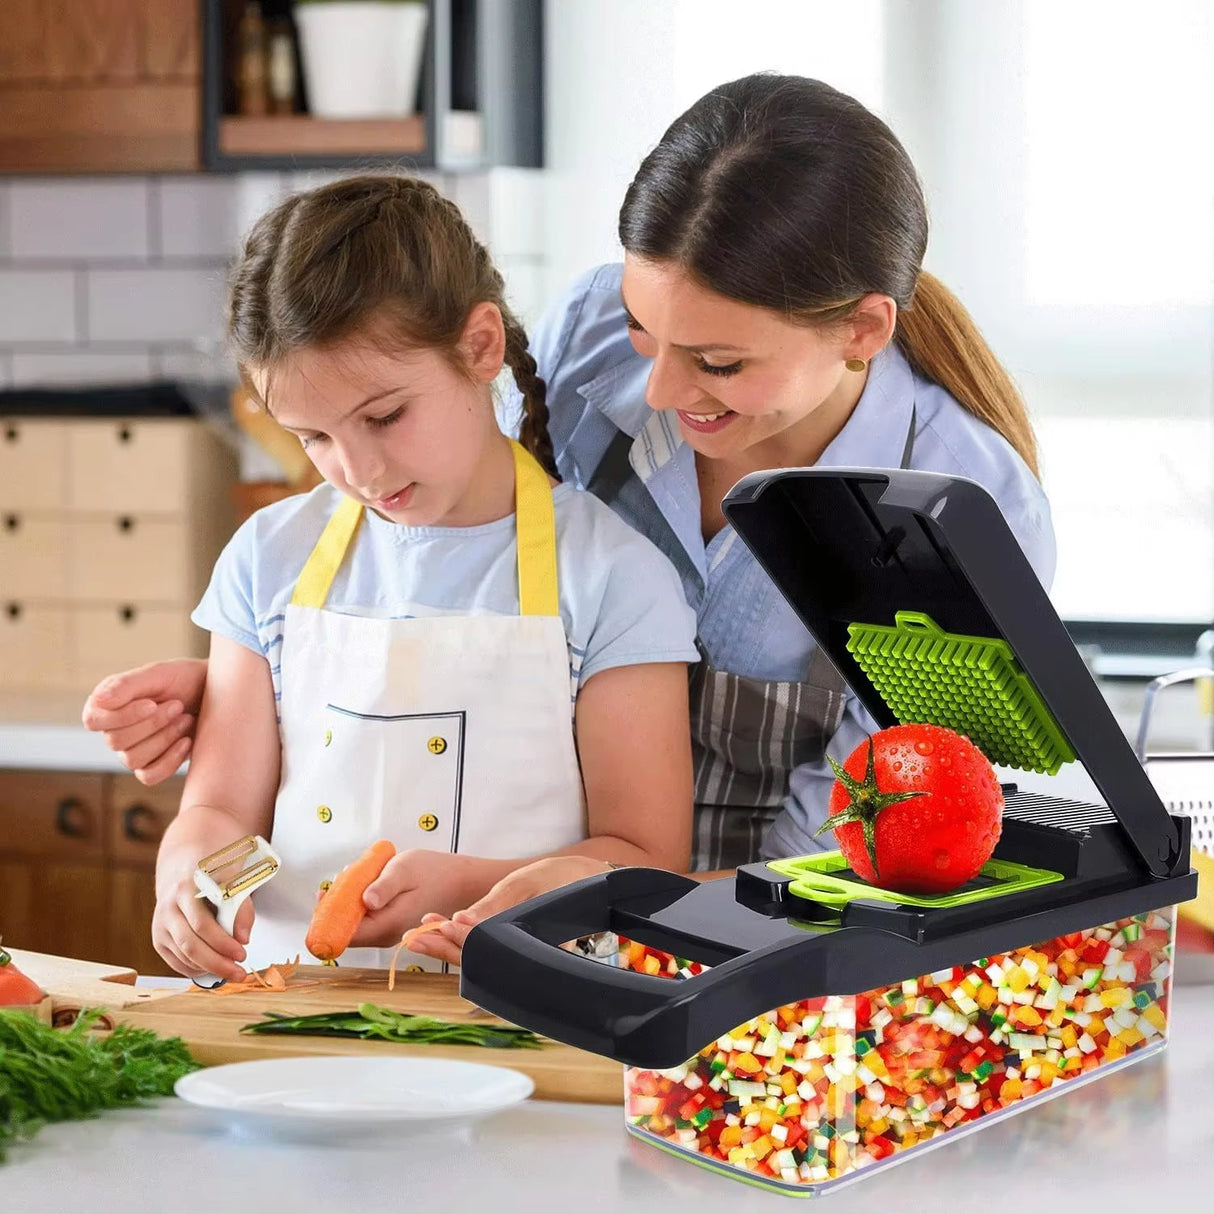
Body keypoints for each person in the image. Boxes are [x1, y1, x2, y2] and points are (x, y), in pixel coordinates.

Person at [84, 74, 1055, 966]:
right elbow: (467, 528)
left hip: (779, 958)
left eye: (717, 363)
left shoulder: (966, 512)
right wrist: (274, 684)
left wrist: (567, 891)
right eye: (644, 329)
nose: (658, 389)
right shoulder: (590, 334)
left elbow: (866, 852)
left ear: (862, 330)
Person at [146, 173, 698, 984]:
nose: (358, 470)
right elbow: (226, 812)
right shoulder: (268, 557)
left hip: (520, 1011)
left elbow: (647, 859)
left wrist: (467, 886)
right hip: (288, 1007)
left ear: (480, 347)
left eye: (383, 417)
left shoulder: (615, 576)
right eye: (313, 438)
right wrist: (192, 880)